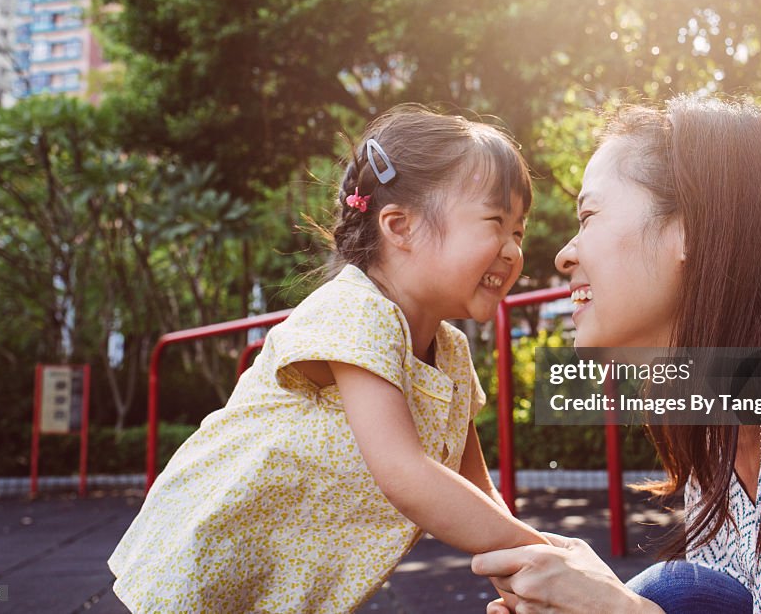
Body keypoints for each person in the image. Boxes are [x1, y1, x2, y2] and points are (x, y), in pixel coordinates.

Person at [472, 96, 761, 613]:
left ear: (692, 229)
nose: (565, 254)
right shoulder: (730, 417)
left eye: (589, 216)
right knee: (678, 590)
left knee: (664, 594)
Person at [108, 105, 548, 613]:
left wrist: (531, 580)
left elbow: (475, 487)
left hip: (289, 588)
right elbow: (406, 474)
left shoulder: (450, 352)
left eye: (519, 230)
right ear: (399, 226)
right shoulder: (355, 310)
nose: (513, 250)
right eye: (496, 221)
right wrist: (544, 553)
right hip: (208, 560)